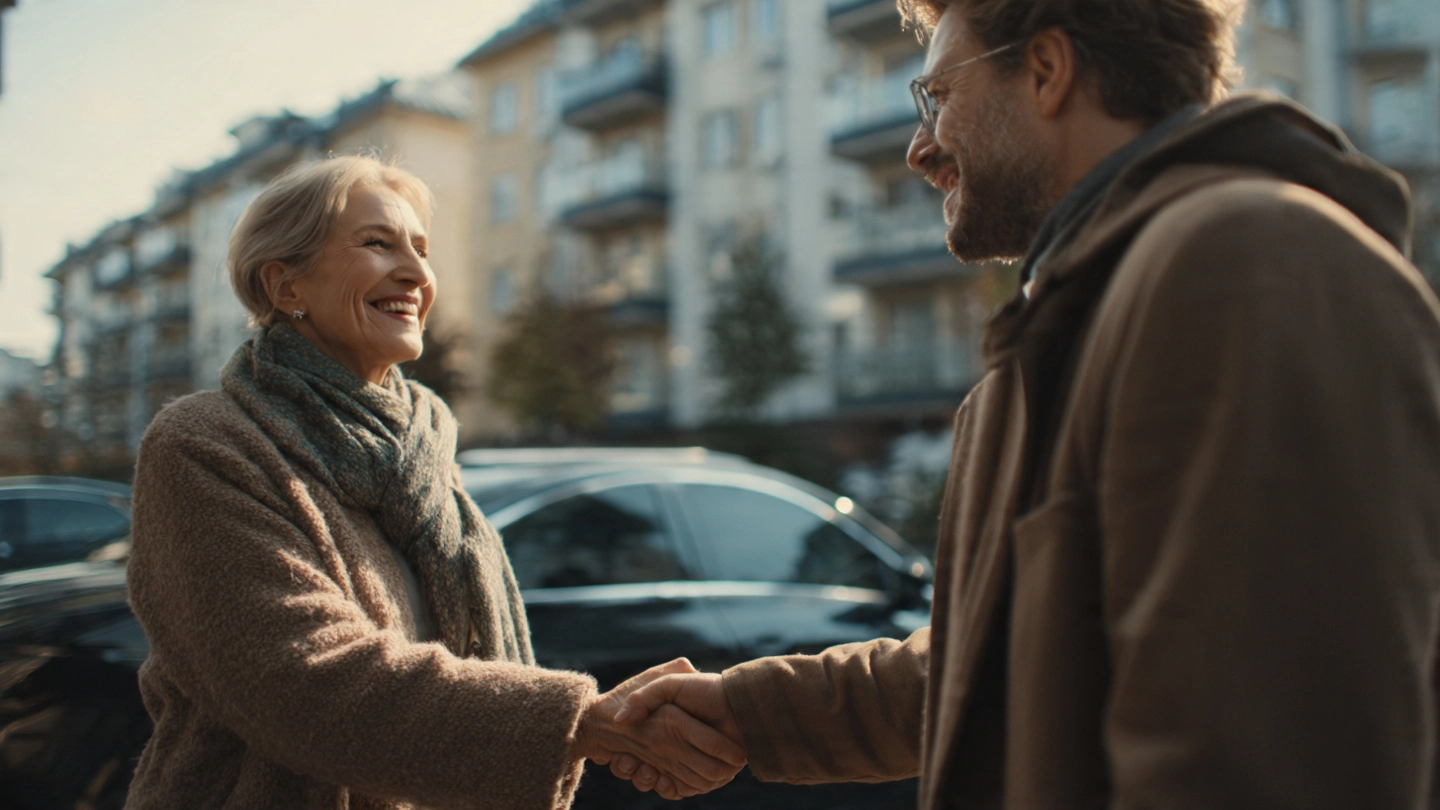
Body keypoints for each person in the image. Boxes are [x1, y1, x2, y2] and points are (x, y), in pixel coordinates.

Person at [611, 0, 1440, 807]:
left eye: (939, 96)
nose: (919, 148)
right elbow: (999, 671)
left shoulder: (1250, 266)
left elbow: (1271, 749)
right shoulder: (1059, 337)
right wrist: (751, 713)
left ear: (1046, 70)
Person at [124, 155, 742, 809]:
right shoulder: (203, 445)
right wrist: (579, 721)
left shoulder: (424, 442)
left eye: (421, 249)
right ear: (286, 287)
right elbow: (302, 681)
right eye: (376, 244)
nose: (417, 274)